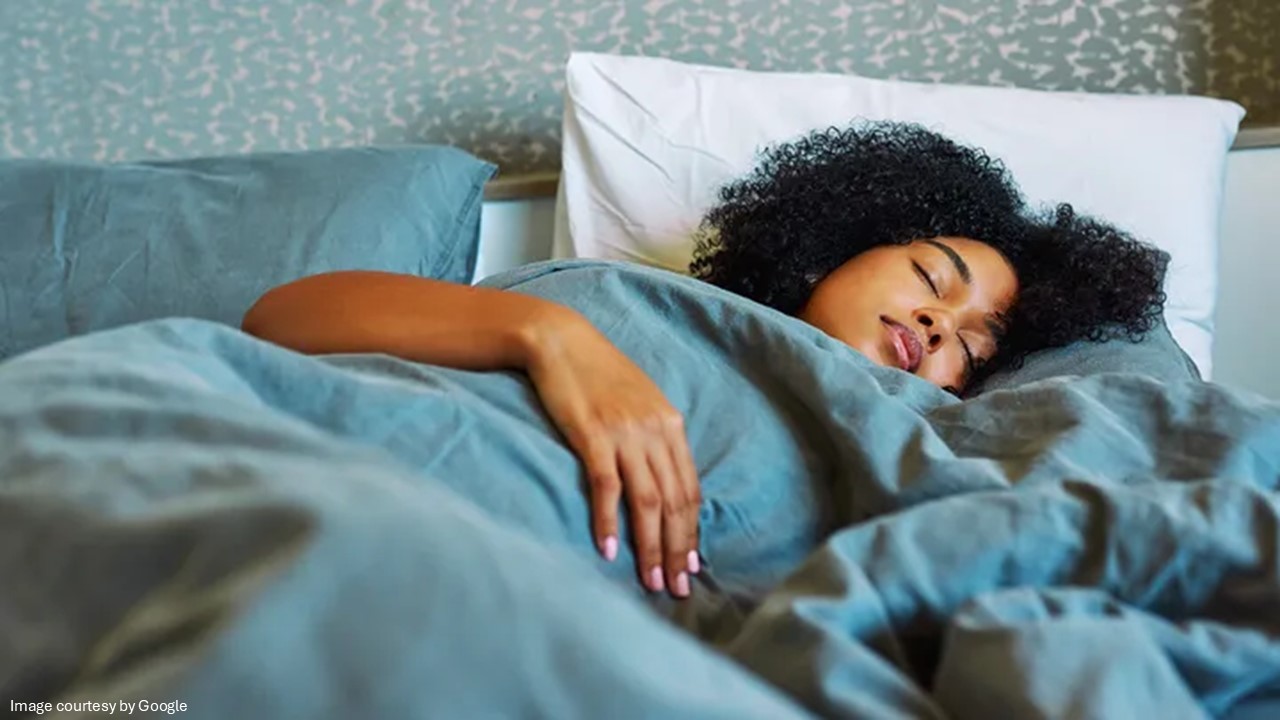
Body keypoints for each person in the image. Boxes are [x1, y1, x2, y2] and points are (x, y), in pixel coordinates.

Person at [242, 122, 1168, 600]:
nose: (938, 321)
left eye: (973, 345)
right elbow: (280, 319)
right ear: (851, 238)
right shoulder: (611, 295)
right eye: (934, 275)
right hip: (324, 468)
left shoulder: (910, 435)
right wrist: (553, 337)